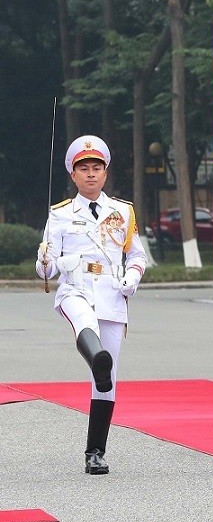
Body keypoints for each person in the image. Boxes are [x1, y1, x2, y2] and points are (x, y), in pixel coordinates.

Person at [35, 135, 148, 475]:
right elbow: (47, 267)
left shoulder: (123, 212)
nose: (90, 174)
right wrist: (44, 261)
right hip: (76, 288)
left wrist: (132, 277)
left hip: (113, 293)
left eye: (96, 167)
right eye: (83, 168)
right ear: (73, 174)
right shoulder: (60, 215)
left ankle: (95, 452)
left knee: (108, 380)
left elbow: (137, 254)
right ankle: (95, 357)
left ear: (106, 172)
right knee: (84, 322)